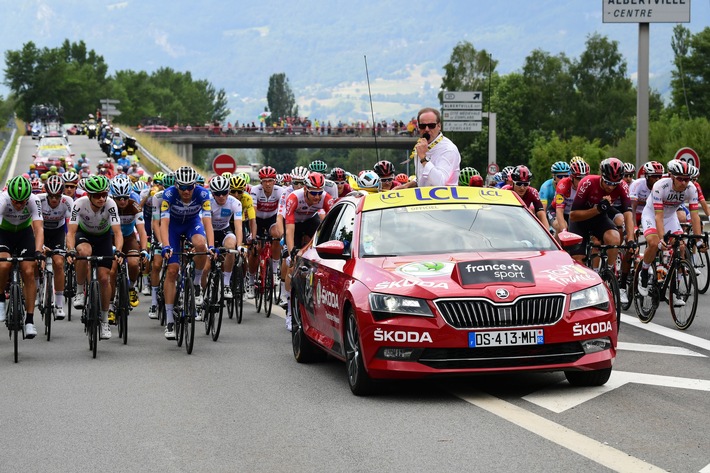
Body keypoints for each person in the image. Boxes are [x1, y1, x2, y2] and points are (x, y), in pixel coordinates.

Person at [159, 167, 215, 340]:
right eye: (182, 187)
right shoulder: (168, 195)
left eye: (190, 187)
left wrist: (211, 246)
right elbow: (164, 224)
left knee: (200, 244)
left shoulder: (203, 194)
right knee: (172, 270)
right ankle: (169, 320)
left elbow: (207, 222)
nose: (186, 191)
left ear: (195, 185)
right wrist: (166, 246)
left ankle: (196, 284)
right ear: (176, 185)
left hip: (192, 223)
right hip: (173, 228)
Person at [637, 160, 706, 299]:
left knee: (681, 247)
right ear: (671, 176)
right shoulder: (660, 186)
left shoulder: (691, 188)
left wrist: (699, 240)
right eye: (680, 179)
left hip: (670, 217)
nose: (684, 183)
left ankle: (674, 289)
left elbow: (694, 216)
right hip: (652, 214)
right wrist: (662, 238)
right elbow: (658, 216)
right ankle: (644, 271)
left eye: (687, 179)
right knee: (654, 243)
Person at [66, 175, 123, 340]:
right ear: (88, 195)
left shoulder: (110, 204)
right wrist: (70, 250)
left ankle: (105, 321)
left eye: (104, 194)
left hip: (104, 238)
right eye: (97, 195)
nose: (102, 198)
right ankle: (79, 292)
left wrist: (118, 251)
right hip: (84, 235)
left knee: (105, 279)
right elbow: (71, 232)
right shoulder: (79, 204)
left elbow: (118, 232)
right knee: (84, 252)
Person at [568, 158, 635, 270]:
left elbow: (628, 214)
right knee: (578, 259)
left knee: (614, 239)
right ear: (601, 175)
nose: (610, 187)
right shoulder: (587, 183)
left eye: (615, 184)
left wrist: (631, 239)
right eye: (607, 182)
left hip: (599, 219)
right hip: (580, 221)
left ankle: (608, 272)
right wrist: (597, 209)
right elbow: (573, 215)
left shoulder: (622, 186)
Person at [0, 176, 45, 338]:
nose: (19, 205)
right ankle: (0, 301)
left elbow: (39, 229)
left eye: (22, 202)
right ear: (9, 196)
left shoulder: (34, 200)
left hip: (24, 234)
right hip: (4, 233)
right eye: (16, 202)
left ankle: (30, 321)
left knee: (28, 271)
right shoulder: (2, 199)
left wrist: (38, 251)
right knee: (3, 265)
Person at [37, 175, 73, 320]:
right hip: (41, 231)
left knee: (58, 263)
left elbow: (70, 229)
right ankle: (38, 289)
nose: (53, 200)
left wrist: (70, 249)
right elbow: (34, 225)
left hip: (58, 233)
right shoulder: (38, 200)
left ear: (61, 194)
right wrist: (40, 247)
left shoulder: (67, 201)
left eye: (57, 196)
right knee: (36, 261)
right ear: (46, 194)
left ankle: (58, 305)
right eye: (51, 196)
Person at [400, 107, 460, 188]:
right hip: (424, 198)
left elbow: (440, 183)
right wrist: (405, 186)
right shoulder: (421, 146)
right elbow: (422, 179)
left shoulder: (448, 149)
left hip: (445, 198)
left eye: (431, 125)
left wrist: (423, 158)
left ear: (439, 126)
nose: (427, 129)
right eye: (422, 126)